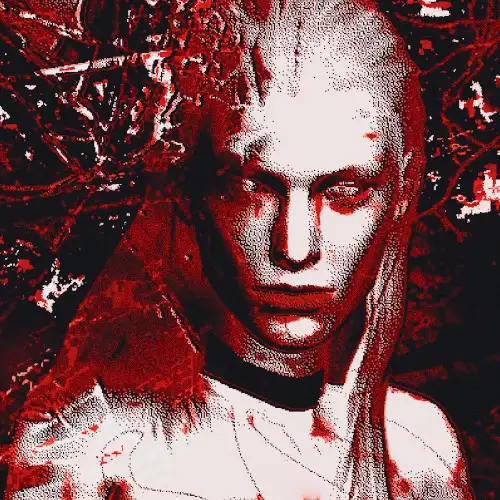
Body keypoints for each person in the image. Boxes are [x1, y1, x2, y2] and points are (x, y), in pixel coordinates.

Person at [6, 0, 472, 498]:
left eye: (344, 192)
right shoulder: (86, 459)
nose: (296, 248)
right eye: (253, 189)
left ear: (401, 193)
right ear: (189, 194)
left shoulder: (419, 450)